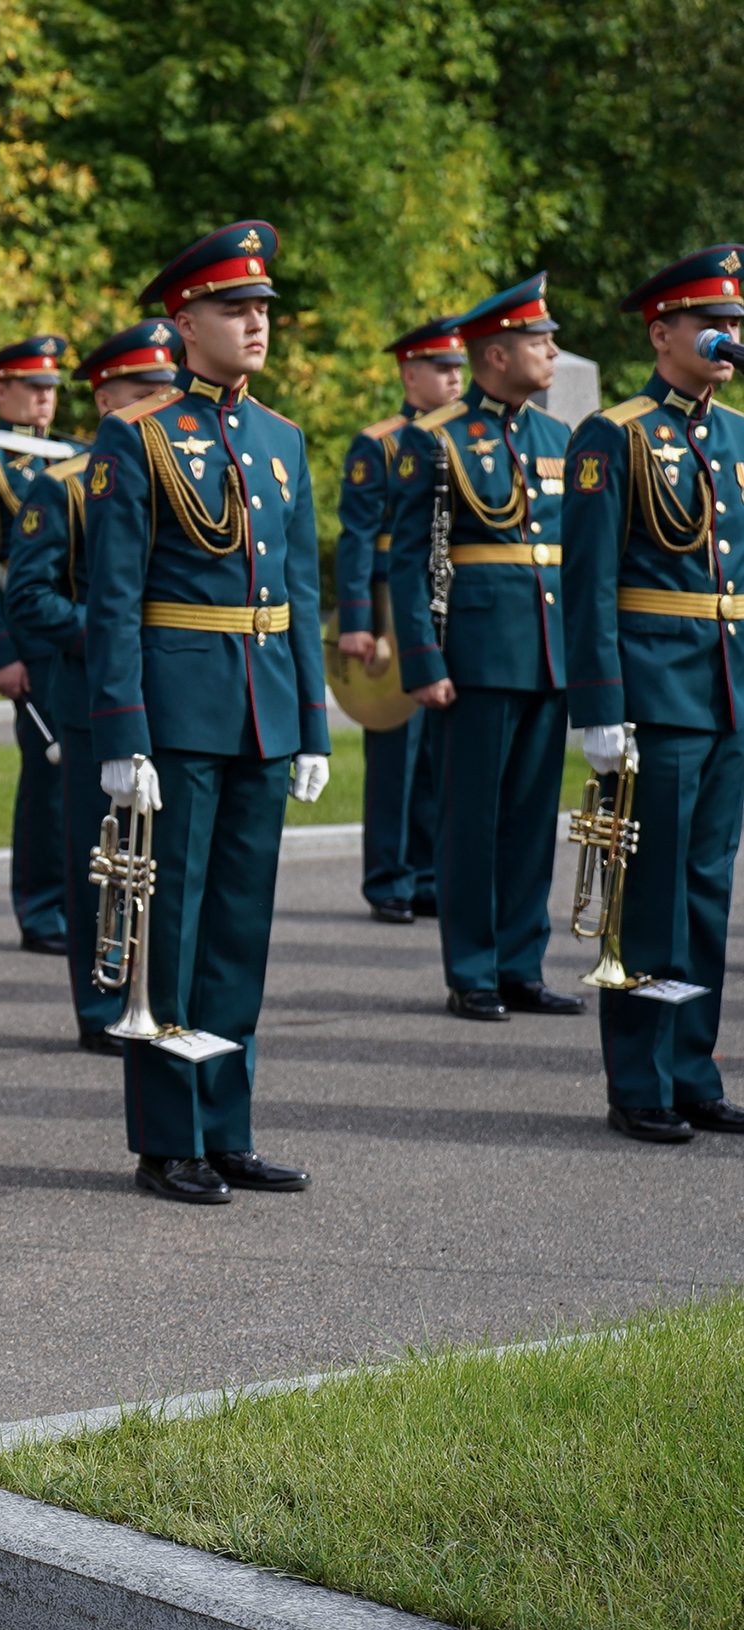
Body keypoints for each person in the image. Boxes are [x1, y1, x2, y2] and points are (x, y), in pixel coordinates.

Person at [84, 220, 328, 1205]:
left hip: (262, 711)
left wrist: (310, 723)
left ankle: (225, 1126)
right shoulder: (134, 436)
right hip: (176, 712)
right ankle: (167, 1136)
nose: (254, 323)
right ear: (184, 321)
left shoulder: (280, 440)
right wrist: (120, 731)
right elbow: (111, 597)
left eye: (262, 308)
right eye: (234, 309)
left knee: (236, 932)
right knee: (169, 932)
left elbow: (300, 592)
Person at [560, 243, 744, 1144]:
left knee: (708, 887)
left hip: (726, 686)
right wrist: (598, 704)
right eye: (712, 323)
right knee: (650, 892)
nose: (728, 338)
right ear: (661, 330)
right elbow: (589, 580)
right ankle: (639, 1080)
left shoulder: (738, 433)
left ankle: (693, 1069)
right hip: (655, 688)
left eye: (735, 324)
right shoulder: (615, 434)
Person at [383, 277, 582, 1023]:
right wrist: (425, 660)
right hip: (474, 653)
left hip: (547, 650)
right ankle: (471, 969)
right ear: (496, 354)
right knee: (471, 818)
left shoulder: (557, 438)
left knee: (534, 819)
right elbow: (411, 560)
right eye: (540, 342)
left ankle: (520, 964)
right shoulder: (432, 439)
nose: (552, 351)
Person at [4, 318, 182, 1056]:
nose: (164, 407)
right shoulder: (66, 486)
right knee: (100, 860)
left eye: (166, 392)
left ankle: (161, 991)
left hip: (175, 695)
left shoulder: (186, 470)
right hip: (90, 698)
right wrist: (104, 633)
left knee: (167, 862)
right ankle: (100, 1001)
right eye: (146, 394)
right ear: (109, 400)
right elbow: (29, 596)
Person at [0, 333, 78, 954]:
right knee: (50, 776)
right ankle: (45, 908)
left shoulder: (77, 455)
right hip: (31, 641)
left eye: (51, 389)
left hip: (80, 634)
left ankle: (82, 899)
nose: (44, 400)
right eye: (33, 388)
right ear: (0, 389)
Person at [337, 317, 465, 925]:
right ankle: (389, 878)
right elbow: (359, 535)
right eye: (443, 368)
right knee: (396, 749)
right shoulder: (379, 443)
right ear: (410, 373)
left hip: (447, 601)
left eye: (459, 367)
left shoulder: (467, 437)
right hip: (392, 600)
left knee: (439, 755)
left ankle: (429, 874)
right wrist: (358, 620)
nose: (455, 378)